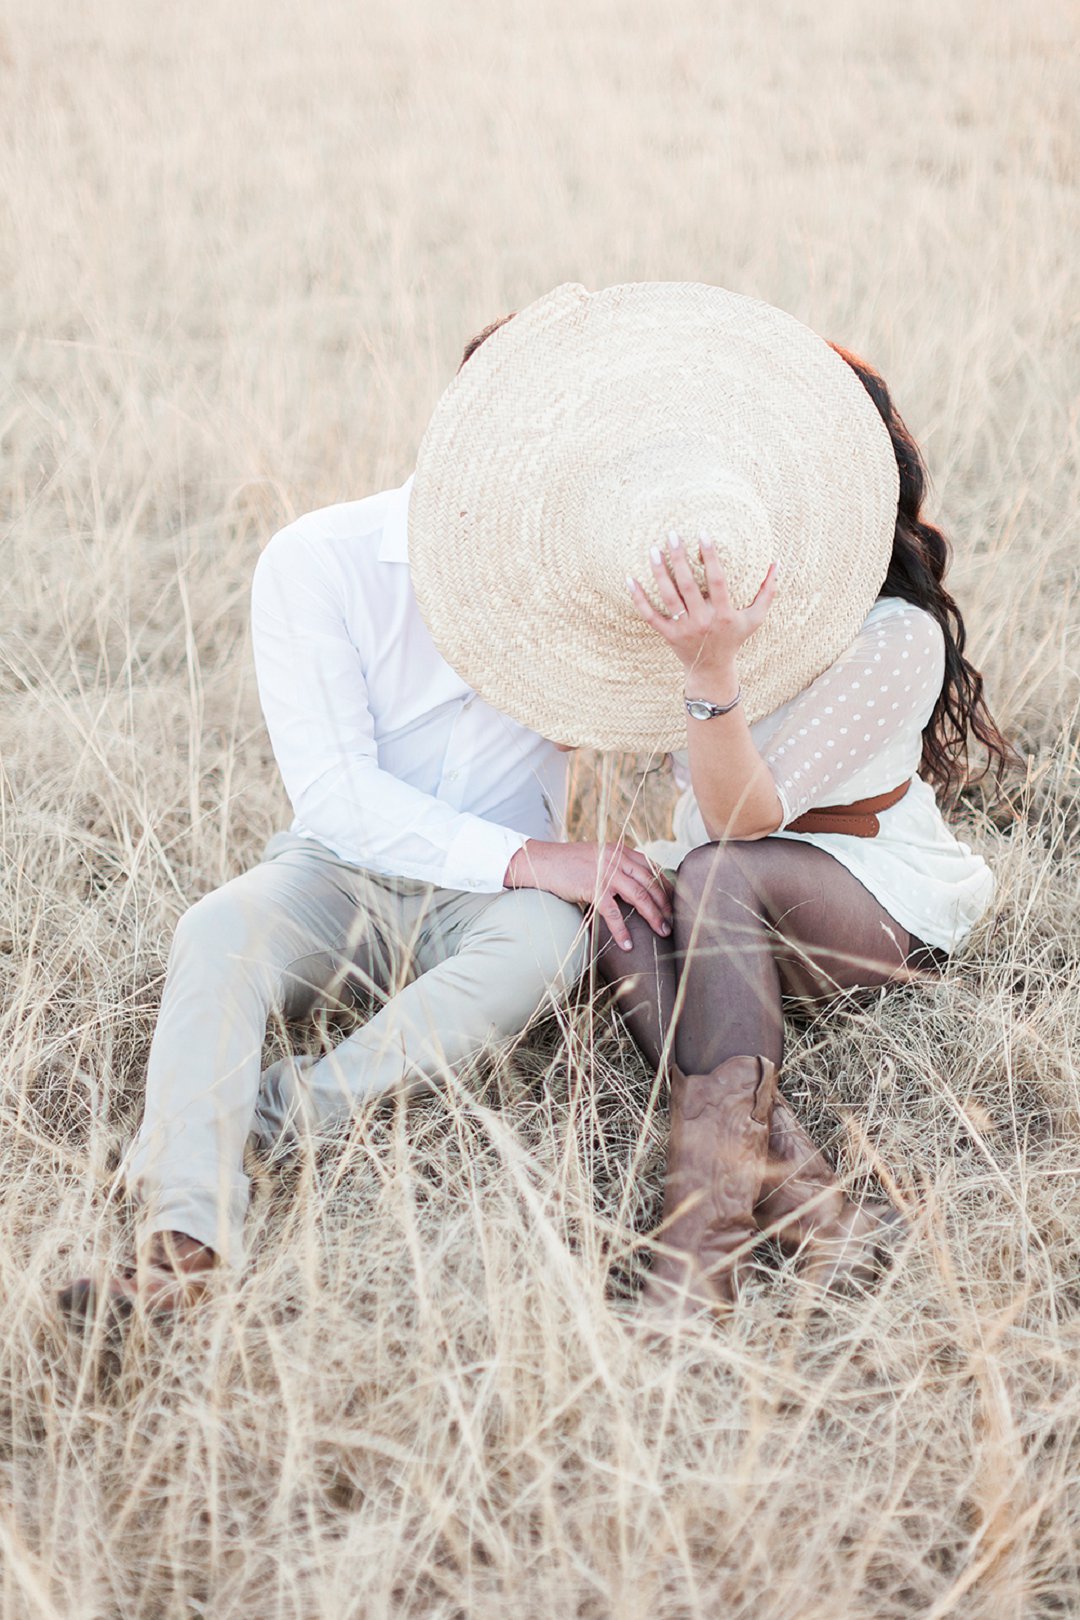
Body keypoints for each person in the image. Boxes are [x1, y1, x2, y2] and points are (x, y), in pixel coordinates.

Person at [57, 319, 673, 1330]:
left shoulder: (590, 583)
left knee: (543, 956)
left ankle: (267, 1117)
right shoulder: (320, 560)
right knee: (216, 932)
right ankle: (181, 1245)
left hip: (496, 903)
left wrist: (699, 653)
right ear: (457, 422)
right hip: (337, 868)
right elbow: (338, 795)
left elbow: (676, 744)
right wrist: (532, 852)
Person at [600, 345, 1015, 1322]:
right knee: (617, 909)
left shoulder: (895, 634)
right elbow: (705, 820)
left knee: (715, 876)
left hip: (868, 890)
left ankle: (699, 1258)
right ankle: (819, 1207)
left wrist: (709, 677)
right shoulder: (721, 604)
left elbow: (740, 821)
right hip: (731, 866)